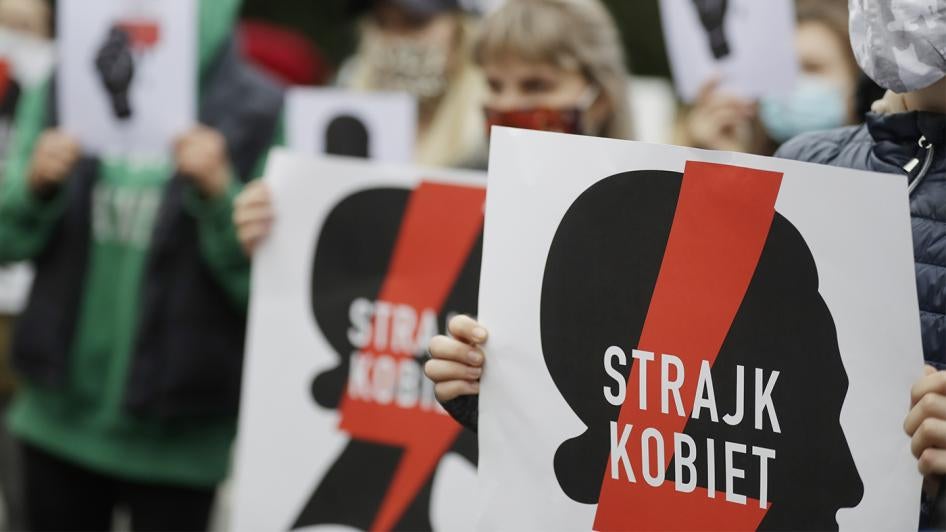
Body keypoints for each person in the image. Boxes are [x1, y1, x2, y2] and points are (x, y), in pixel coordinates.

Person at [0, 0, 283, 529]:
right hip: (55, 422)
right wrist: (34, 186)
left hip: (181, 438)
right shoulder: (66, 84)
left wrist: (222, 196)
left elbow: (273, 289)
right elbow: (6, 241)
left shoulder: (259, 110)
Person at [235, 0, 634, 255]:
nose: (509, 104)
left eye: (413, 22)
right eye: (382, 22)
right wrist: (278, 239)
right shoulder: (335, 120)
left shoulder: (643, 204)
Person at [681, 0, 860, 154]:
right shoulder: (743, 151)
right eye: (782, 69)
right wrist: (724, 163)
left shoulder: (881, 173)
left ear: (857, 79)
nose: (793, 83)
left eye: (812, 68)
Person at [340, 0, 485, 167]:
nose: (395, 39)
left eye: (416, 22)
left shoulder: (492, 118)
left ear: (462, 30)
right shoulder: (346, 90)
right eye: (381, 22)